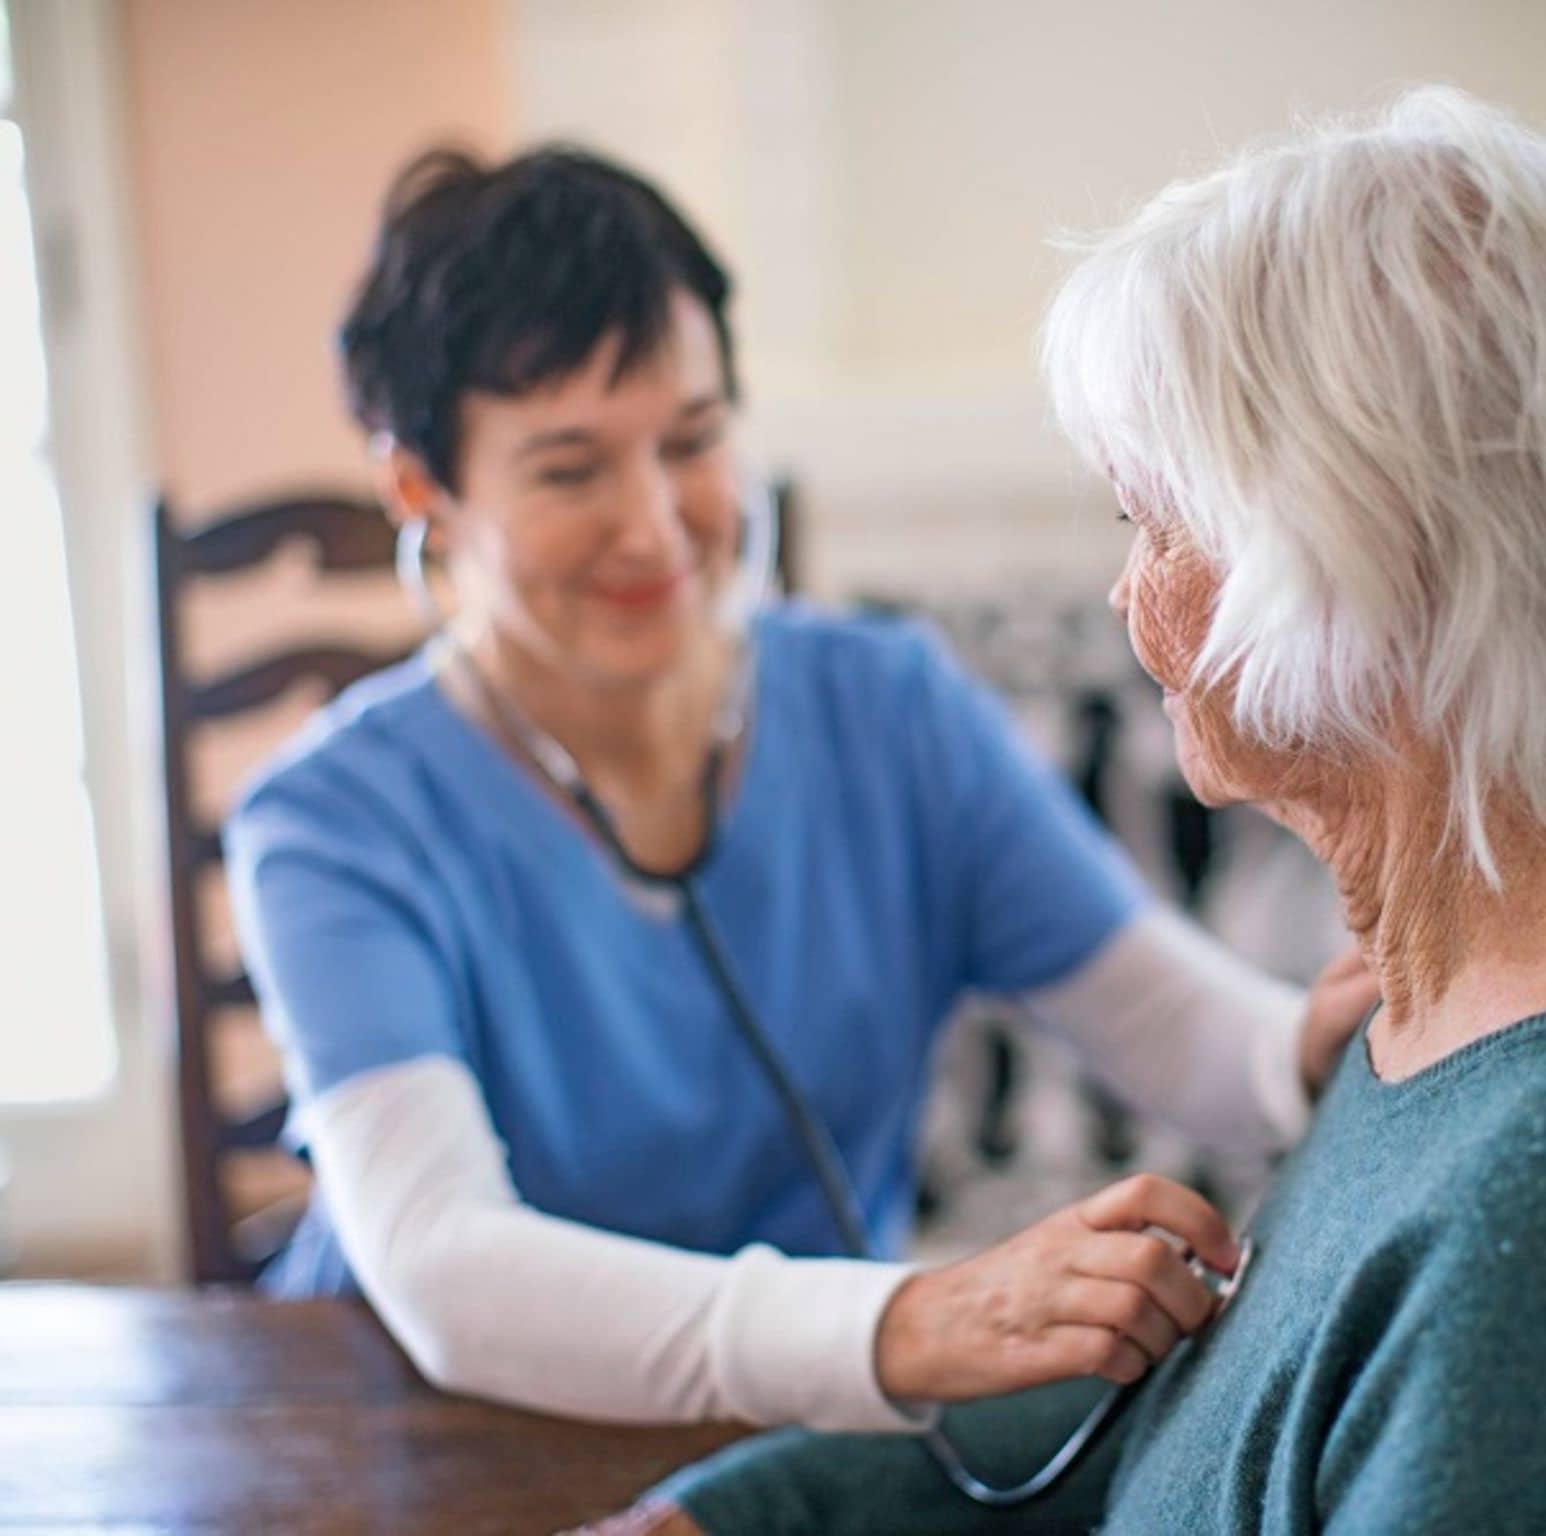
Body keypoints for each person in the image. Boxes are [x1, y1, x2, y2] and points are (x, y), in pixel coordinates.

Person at [583, 87, 1546, 1533]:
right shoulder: (1481, 981)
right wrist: (737, 1516)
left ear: (1367, 569)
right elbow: (1215, 1411)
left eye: (1158, 522)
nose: (1124, 594)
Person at [224, 146, 1377, 1432]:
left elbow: (1161, 1021)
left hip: (786, 1437)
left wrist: (1302, 1049)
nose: (654, 524)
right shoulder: (326, 823)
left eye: (691, 440)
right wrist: (911, 1322)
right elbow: (442, 1266)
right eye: (567, 469)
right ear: (420, 488)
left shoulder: (887, 708)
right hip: (429, 1439)